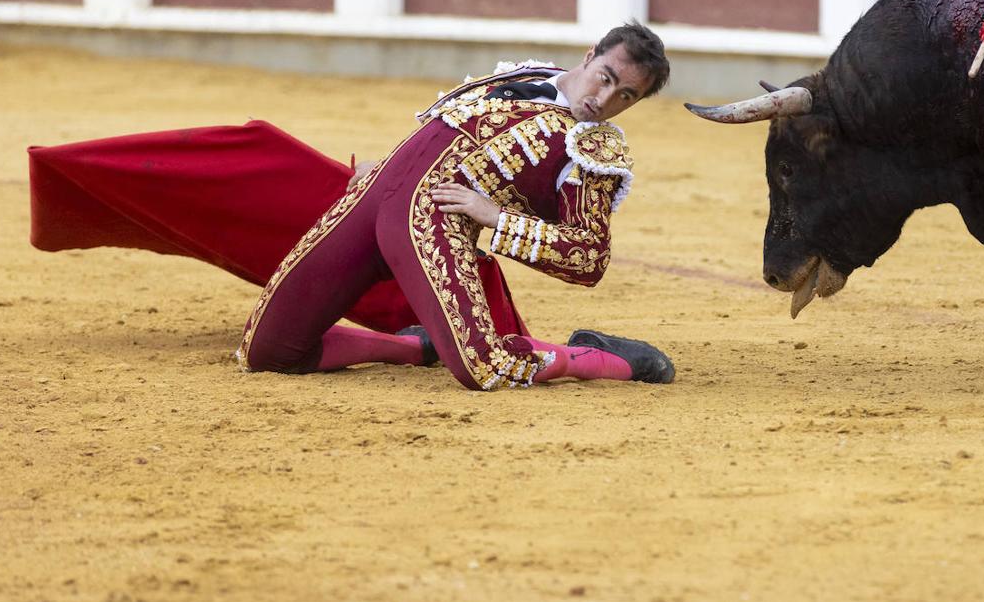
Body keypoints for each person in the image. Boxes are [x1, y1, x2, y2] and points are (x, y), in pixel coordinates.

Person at [234, 21, 676, 390]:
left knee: (484, 369)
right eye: (606, 77)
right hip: (371, 198)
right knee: (268, 352)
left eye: (625, 97)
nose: (604, 100)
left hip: (437, 220)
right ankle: (414, 347)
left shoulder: (592, 151)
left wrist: (496, 217)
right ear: (589, 56)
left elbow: (588, 256)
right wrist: (388, 165)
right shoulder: (522, 75)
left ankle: (596, 358)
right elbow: (440, 132)